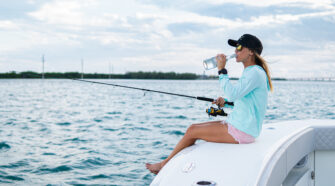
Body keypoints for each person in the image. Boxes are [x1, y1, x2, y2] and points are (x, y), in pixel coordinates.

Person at [146, 34, 273, 174]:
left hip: (243, 130)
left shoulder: (254, 72)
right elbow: (244, 101)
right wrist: (226, 104)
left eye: (239, 47)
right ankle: (166, 164)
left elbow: (232, 94)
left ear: (251, 52)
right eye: (235, 48)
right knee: (192, 128)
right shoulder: (252, 71)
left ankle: (164, 165)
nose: (235, 52)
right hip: (242, 126)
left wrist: (221, 70)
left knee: (192, 131)